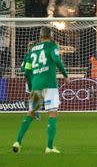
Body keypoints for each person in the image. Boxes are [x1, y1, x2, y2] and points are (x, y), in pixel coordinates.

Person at [13, 26, 69, 154]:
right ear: (51, 35)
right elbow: (56, 60)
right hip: (49, 84)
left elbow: (26, 71)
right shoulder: (52, 46)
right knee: (52, 113)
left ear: (40, 36)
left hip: (36, 85)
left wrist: (31, 86)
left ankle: (17, 142)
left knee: (31, 113)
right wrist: (65, 75)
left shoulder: (32, 50)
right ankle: (49, 147)